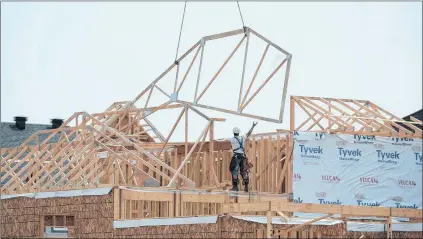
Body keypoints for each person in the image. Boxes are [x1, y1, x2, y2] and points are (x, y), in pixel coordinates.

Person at [229, 122, 258, 192]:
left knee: (234, 171)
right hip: (243, 157)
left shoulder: (232, 139)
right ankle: (246, 187)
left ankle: (235, 187)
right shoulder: (242, 138)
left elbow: (223, 141)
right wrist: (253, 126)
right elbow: (248, 133)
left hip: (236, 157)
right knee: (244, 172)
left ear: (233, 133)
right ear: (238, 132)